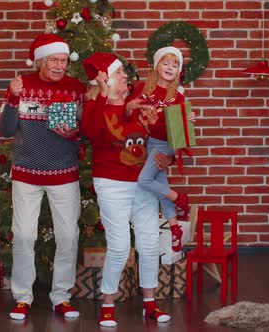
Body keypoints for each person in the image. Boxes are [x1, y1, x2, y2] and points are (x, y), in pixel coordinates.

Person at [81, 52, 173, 328]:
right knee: (120, 247)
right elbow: (92, 131)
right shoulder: (96, 107)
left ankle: (150, 303)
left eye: (123, 72)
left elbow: (165, 139)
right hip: (111, 184)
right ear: (106, 79)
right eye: (119, 72)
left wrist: (169, 158)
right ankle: (107, 304)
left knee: (148, 244)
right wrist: (100, 96)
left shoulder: (143, 105)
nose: (125, 76)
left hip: (143, 184)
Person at [0, 33, 86, 321]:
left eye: (63, 60)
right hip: (26, 172)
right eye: (54, 60)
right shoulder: (21, 85)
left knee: (69, 235)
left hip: (64, 172)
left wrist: (75, 134)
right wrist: (12, 97)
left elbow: (86, 130)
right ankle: (22, 296)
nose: (59, 65)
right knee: (23, 235)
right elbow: (6, 129)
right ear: (40, 61)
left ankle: (61, 296)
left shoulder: (76, 88)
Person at [125, 46, 195, 252]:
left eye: (175, 65)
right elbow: (128, 114)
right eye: (166, 63)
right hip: (146, 143)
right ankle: (175, 228)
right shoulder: (142, 90)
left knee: (144, 180)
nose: (170, 68)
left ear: (178, 71)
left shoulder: (178, 98)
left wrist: (189, 119)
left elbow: (182, 128)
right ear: (156, 66)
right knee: (159, 183)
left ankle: (177, 197)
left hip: (164, 145)